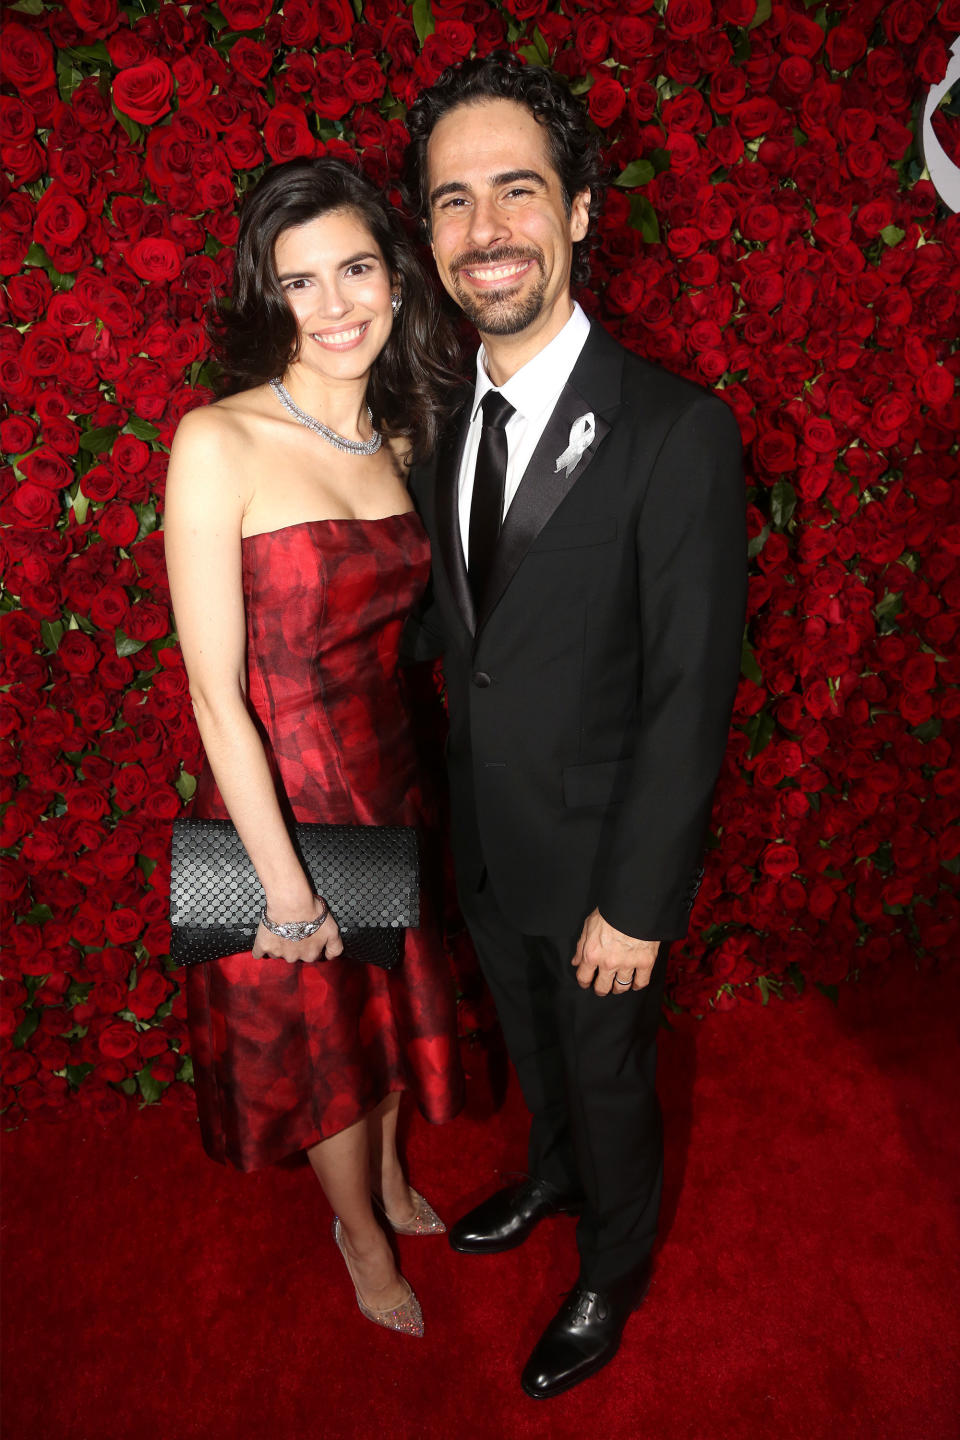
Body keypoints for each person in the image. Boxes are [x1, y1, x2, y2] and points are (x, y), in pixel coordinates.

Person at [403, 54, 747, 1395]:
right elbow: (467, 635)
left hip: (607, 866)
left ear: (582, 211)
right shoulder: (442, 424)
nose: (485, 232)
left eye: (517, 192)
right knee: (538, 1050)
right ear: (426, 231)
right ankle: (550, 1180)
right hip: (488, 838)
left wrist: (643, 903)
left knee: (609, 1073)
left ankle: (614, 1263)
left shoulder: (677, 431)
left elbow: (688, 690)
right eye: (452, 201)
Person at [163, 158, 465, 1339]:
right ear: (264, 298)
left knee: (383, 1015)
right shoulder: (216, 440)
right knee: (326, 1046)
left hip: (388, 769)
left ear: (394, 278)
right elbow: (211, 688)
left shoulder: (400, 433)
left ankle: (389, 1180)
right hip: (271, 791)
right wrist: (282, 886)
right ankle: (360, 1230)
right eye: (300, 283)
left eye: (355, 270)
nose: (336, 305)